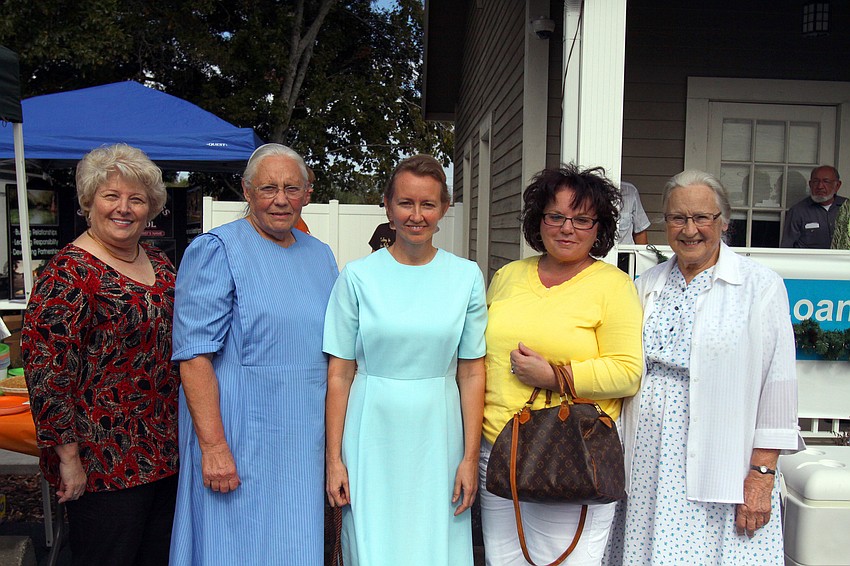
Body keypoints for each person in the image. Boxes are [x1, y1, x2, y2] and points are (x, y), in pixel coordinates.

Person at [608, 170, 801, 564]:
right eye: (678, 218)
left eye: (702, 218)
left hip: (724, 458)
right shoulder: (648, 283)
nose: (689, 229)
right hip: (648, 455)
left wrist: (762, 476)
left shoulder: (759, 285)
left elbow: (777, 386)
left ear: (723, 222)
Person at [169, 144, 338, 564]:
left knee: (294, 543)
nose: (281, 199)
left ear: (307, 194)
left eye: (291, 188)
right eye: (268, 188)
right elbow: (194, 357)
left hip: (302, 439)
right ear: (246, 191)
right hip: (239, 438)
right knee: (235, 547)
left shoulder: (320, 255)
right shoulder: (216, 250)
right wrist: (213, 446)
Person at [324, 154, 487, 566]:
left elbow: (471, 371)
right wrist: (334, 460)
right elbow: (340, 373)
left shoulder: (466, 276)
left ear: (444, 209)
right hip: (370, 431)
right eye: (406, 203)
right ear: (387, 205)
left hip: (440, 432)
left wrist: (469, 459)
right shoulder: (357, 276)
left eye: (428, 204)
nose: (416, 216)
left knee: (435, 545)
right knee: (373, 544)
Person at [22, 143, 179, 566]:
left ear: (151, 209)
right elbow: (47, 376)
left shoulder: (161, 265)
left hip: (165, 452)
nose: (123, 208)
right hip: (102, 461)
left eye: (136, 199)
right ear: (89, 201)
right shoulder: (67, 273)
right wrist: (68, 460)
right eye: (111, 196)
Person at [480, 164, 643, 565]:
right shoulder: (507, 276)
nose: (567, 228)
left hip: (573, 451)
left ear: (599, 227)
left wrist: (556, 377)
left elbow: (627, 372)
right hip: (499, 447)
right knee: (505, 560)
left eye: (582, 219)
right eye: (556, 216)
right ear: (539, 219)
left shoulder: (613, 285)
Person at [781, 165, 845, 248]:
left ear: (837, 185)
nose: (820, 186)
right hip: (807, 260)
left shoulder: (847, 208)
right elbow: (787, 248)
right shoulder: (798, 211)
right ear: (810, 184)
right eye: (815, 181)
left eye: (826, 181)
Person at [294, 165, 316, 234]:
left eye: (311, 185)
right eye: (307, 185)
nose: (311, 190)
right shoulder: (286, 223)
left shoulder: (297, 221)